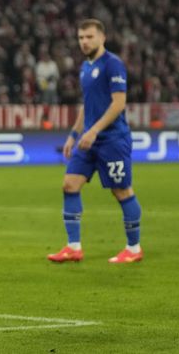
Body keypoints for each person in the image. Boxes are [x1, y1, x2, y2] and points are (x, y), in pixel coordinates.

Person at [47, 19, 143, 265]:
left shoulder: (113, 64)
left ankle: (133, 248)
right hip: (88, 140)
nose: (84, 41)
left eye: (89, 37)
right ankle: (73, 247)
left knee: (121, 190)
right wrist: (74, 134)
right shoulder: (86, 67)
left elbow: (118, 103)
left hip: (112, 139)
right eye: (81, 38)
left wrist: (94, 132)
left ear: (102, 37)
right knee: (69, 184)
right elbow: (87, 106)